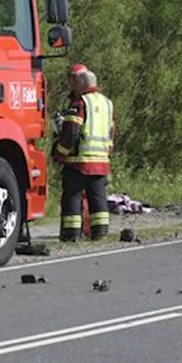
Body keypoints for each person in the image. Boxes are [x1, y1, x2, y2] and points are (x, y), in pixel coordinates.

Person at [52, 64, 116, 242]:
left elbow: (71, 132)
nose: (72, 84)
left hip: (78, 162)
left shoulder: (80, 103)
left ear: (81, 83)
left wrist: (59, 154)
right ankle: (100, 232)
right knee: (98, 198)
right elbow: (111, 132)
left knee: (72, 196)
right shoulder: (107, 103)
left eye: (74, 80)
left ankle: (71, 234)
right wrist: (107, 153)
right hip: (101, 162)